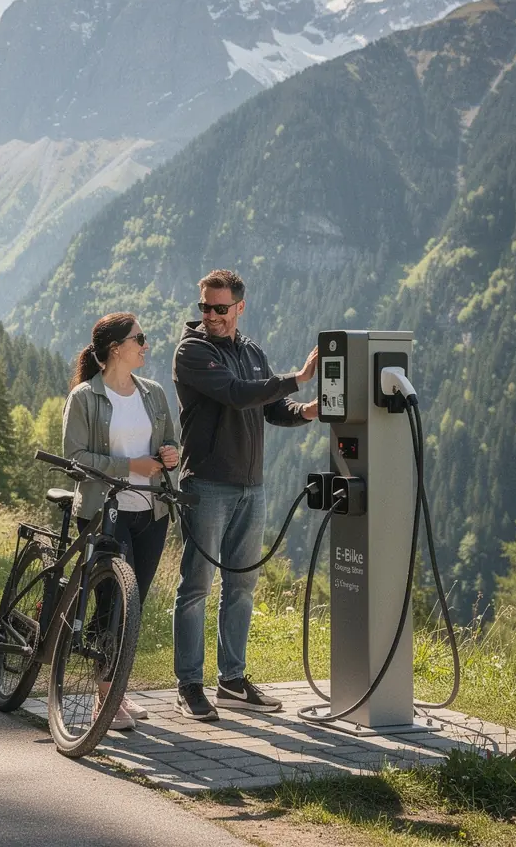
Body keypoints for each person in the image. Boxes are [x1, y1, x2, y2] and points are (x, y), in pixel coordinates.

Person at [172, 269, 318, 721]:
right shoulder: (192, 351)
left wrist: (308, 411)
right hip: (206, 484)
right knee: (196, 587)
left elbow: (272, 408)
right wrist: (298, 377)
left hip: (251, 487)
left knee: (241, 587)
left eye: (220, 308)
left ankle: (232, 682)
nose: (211, 315)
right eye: (205, 307)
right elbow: (236, 394)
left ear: (239, 307)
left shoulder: (252, 351)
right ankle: (188, 685)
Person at [62, 312, 180, 731]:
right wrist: (129, 465)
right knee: (112, 601)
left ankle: (115, 689)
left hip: (151, 511)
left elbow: (169, 442)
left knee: (134, 605)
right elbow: (75, 458)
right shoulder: (84, 397)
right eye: (139, 338)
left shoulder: (153, 393)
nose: (145, 345)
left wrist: (170, 455)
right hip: (104, 511)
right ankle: (104, 698)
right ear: (116, 349)